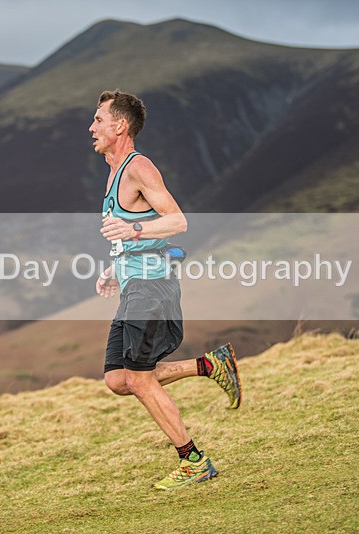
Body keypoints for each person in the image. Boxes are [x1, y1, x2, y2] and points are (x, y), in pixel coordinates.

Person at [89, 89, 242, 490]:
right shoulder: (113, 170)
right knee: (118, 379)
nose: (92, 127)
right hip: (134, 284)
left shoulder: (139, 168)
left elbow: (177, 221)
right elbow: (129, 235)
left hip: (151, 286)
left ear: (120, 125)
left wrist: (134, 228)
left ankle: (193, 461)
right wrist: (114, 268)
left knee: (139, 380)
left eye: (99, 120)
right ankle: (209, 366)